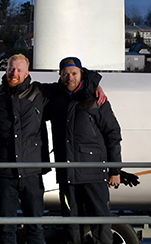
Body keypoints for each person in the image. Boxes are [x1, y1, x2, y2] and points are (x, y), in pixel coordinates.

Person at [45, 57, 122, 244]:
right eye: (65, 74)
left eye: (73, 73)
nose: (69, 77)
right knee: (71, 224)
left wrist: (115, 170)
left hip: (93, 173)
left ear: (81, 74)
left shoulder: (96, 99)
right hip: (67, 175)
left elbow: (113, 133)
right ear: (60, 76)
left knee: (100, 222)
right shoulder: (55, 98)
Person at [0, 54, 52, 244]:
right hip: (5, 173)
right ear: (6, 69)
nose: (14, 73)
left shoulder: (40, 93)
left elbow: (71, 86)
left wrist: (97, 86)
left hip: (32, 173)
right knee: (6, 230)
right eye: (11, 69)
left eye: (19, 70)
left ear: (27, 72)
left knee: (36, 229)